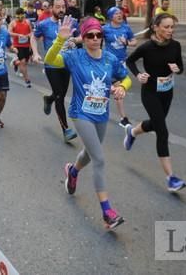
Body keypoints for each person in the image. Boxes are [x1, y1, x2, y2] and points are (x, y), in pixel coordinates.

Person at [47, 16, 131, 230]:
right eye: (89, 36)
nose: (95, 39)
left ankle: (73, 171)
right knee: (99, 159)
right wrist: (59, 40)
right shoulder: (75, 57)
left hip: (101, 114)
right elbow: (50, 60)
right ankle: (107, 212)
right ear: (83, 38)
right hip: (80, 113)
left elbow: (126, 77)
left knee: (88, 153)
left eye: (98, 35)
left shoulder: (110, 59)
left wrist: (122, 87)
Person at [124, 13, 186, 192]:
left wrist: (177, 69)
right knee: (162, 131)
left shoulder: (176, 45)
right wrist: (138, 75)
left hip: (167, 92)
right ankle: (171, 178)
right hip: (150, 92)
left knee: (155, 124)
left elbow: (180, 67)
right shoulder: (147, 47)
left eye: (172, 27)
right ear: (156, 27)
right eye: (166, 27)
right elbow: (130, 60)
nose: (170, 30)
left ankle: (133, 131)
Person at [31, 0, 79, 143]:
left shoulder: (72, 22)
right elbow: (33, 37)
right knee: (59, 96)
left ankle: (48, 98)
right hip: (51, 65)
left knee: (60, 94)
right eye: (57, 7)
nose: (60, 10)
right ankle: (66, 130)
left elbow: (81, 37)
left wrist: (74, 41)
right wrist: (36, 53)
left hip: (66, 64)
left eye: (63, 7)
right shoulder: (44, 24)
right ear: (51, 8)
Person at [103, 7, 137, 127]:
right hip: (108, 63)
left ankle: (123, 118)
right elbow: (93, 37)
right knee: (114, 88)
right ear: (111, 16)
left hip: (121, 63)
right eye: (116, 13)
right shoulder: (105, 29)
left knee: (117, 88)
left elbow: (134, 41)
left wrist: (126, 42)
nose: (119, 15)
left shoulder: (126, 28)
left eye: (121, 13)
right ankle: (123, 117)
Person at [8, 7, 33, 87]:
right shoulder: (13, 23)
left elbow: (31, 32)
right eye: (18, 17)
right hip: (17, 46)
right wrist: (18, 35)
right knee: (23, 62)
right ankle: (27, 79)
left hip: (27, 45)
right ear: (16, 16)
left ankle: (15, 63)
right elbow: (9, 32)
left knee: (25, 62)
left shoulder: (27, 22)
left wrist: (28, 35)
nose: (20, 19)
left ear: (24, 15)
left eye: (22, 17)